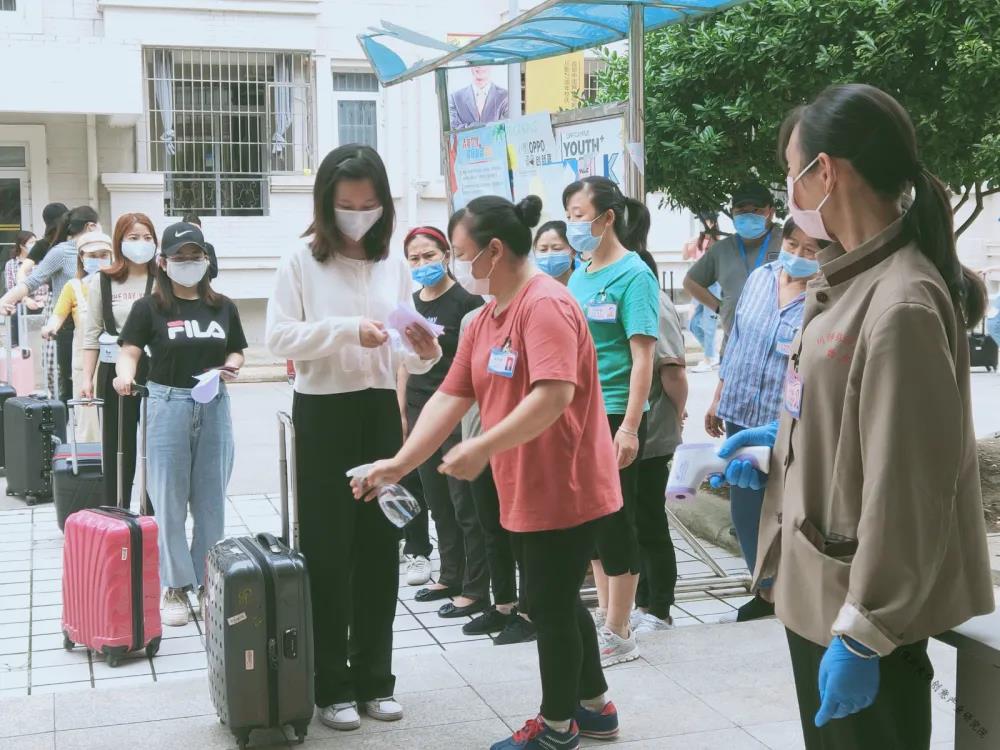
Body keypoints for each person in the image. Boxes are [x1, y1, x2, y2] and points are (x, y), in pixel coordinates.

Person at [719, 84, 993, 749]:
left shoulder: (902, 302)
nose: (790, 191)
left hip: (858, 610)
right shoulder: (849, 279)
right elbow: (847, 422)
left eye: (791, 173)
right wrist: (780, 447)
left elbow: (910, 488)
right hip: (820, 592)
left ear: (825, 172)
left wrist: (868, 630)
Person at [355, 194, 623, 750]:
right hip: (524, 481)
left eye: (460, 253)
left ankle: (557, 727)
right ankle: (596, 708)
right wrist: (399, 463)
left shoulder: (545, 305)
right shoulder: (482, 318)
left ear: (494, 251)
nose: (455, 264)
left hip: (567, 483)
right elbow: (450, 396)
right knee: (555, 596)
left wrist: (481, 446)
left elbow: (553, 395)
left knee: (546, 604)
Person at [265, 144, 441, 732]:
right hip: (323, 411)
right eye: (347, 205)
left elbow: (406, 345)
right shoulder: (300, 260)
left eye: (369, 206)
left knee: (380, 549)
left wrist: (425, 350)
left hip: (379, 411)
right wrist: (345, 331)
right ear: (326, 203)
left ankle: (375, 680)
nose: (359, 216)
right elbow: (278, 338)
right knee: (328, 549)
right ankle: (331, 686)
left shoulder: (392, 262)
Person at [114, 221, 246, 628]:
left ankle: (207, 580)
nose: (188, 263)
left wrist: (231, 367)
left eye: (195, 256)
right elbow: (130, 350)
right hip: (166, 405)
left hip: (213, 403)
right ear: (164, 262)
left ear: (206, 259)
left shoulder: (223, 306)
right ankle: (174, 585)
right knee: (168, 501)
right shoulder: (149, 308)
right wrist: (124, 375)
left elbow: (237, 349)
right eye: (179, 257)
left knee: (210, 503)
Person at [703, 218, 819, 624]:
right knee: (745, 509)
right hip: (740, 412)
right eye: (793, 244)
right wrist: (719, 394)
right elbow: (736, 338)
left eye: (811, 250)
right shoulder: (761, 278)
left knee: (783, 510)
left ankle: (790, 593)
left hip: (783, 422)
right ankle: (764, 590)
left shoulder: (825, 295)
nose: (799, 255)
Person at [564, 176, 659, 669]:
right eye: (569, 215)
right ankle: (607, 616)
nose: (573, 224)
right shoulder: (579, 274)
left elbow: (643, 357)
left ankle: (621, 631)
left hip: (617, 410)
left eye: (580, 215)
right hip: (579, 412)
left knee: (618, 519)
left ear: (607, 218)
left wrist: (629, 427)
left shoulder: (635, 274)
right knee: (594, 520)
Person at [400, 225, 488, 613]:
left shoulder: (467, 302)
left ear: (446, 255)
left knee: (464, 503)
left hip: (457, 410)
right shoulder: (409, 306)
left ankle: (475, 587)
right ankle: (450, 575)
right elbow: (403, 363)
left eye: (429, 256)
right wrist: (401, 411)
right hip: (421, 410)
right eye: (414, 258)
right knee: (437, 501)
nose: (422, 264)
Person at [82, 213, 158, 508]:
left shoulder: (162, 279)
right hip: (114, 368)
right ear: (119, 241)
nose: (141, 243)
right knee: (118, 445)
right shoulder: (103, 280)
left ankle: (152, 513)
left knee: (155, 445)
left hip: (155, 367)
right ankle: (117, 510)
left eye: (147, 237)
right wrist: (87, 378)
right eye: (133, 237)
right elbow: (91, 334)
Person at [0, 205, 102, 402]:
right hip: (70, 326)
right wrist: (5, 300)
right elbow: (32, 280)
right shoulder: (61, 252)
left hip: (100, 325)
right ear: (91, 226)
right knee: (71, 383)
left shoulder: (104, 249)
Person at [630, 288, 687, 633]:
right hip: (626, 433)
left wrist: (677, 416)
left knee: (649, 523)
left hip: (650, 435)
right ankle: (643, 603)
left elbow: (673, 371)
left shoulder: (650, 297)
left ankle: (661, 609)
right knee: (635, 524)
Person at [683, 183, 782, 356]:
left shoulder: (788, 243)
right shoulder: (722, 249)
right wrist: (720, 308)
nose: (748, 216)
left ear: (771, 212)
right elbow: (690, 282)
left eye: (756, 210)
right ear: (733, 213)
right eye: (741, 211)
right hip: (734, 349)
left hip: (777, 349)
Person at [41, 230, 115, 442]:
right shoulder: (72, 286)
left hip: (116, 359)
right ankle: (90, 457)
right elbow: (58, 315)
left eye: (103, 255)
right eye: (92, 255)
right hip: (84, 360)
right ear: (81, 257)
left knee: (116, 414)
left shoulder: (118, 285)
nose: (98, 260)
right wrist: (50, 328)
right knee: (87, 414)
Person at [682, 213, 722, 371]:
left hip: (713, 285)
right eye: (703, 221)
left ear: (713, 222)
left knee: (709, 324)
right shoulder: (699, 240)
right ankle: (712, 354)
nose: (704, 224)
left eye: (707, 221)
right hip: (698, 284)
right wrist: (688, 242)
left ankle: (709, 359)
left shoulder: (717, 241)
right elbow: (685, 256)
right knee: (692, 324)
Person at [4, 232, 45, 348]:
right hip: (22, 302)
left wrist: (41, 299)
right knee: (16, 313)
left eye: (36, 242)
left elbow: (46, 286)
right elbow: (11, 287)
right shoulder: (11, 264)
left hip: (42, 300)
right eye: (31, 243)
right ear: (22, 246)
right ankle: (16, 346)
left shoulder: (42, 262)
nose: (35, 245)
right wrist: (26, 299)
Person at [181, 213, 220, 279]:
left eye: (195, 229)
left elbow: (214, 273)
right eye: (189, 229)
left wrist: (203, 261)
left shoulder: (207, 247)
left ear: (200, 228)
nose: (192, 232)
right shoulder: (176, 248)